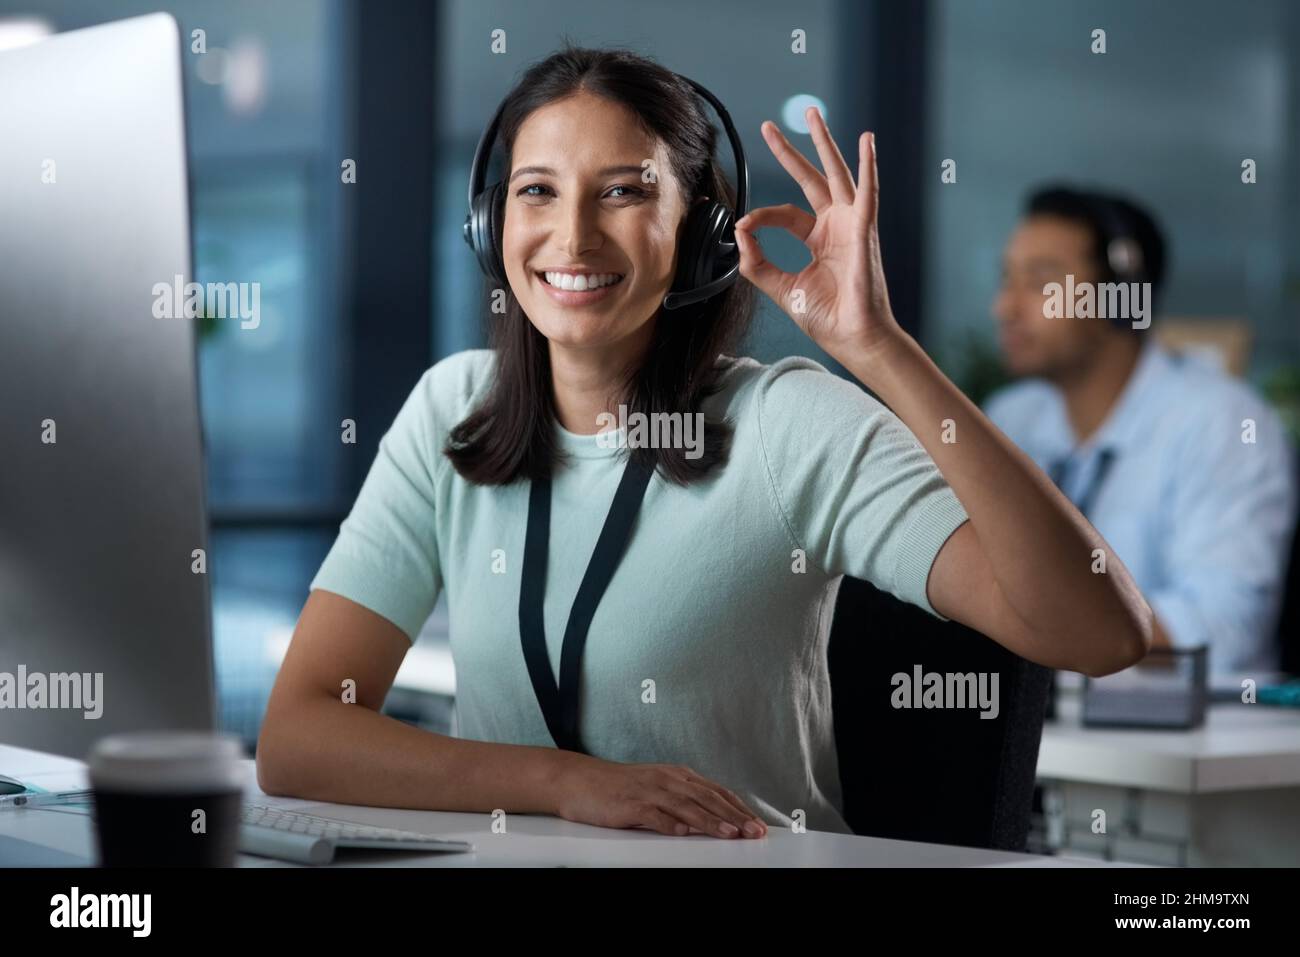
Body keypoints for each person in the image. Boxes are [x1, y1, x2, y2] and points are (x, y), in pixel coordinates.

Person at [257, 47, 1150, 839]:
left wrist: (878, 349)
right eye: (538, 190)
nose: (572, 235)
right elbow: (300, 733)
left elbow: (1101, 634)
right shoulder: (451, 409)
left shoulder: (790, 425)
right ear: (491, 227)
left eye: (624, 191)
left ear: (700, 238)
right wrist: (567, 783)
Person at [986, 186, 1297, 676]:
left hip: (1194, 739)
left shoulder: (1223, 421)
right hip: (1046, 734)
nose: (1004, 308)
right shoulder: (1011, 418)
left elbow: (1222, 626)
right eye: (1007, 279)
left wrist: (1049, 627)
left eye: (1041, 282)